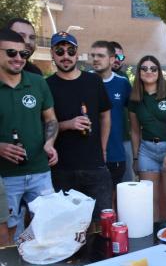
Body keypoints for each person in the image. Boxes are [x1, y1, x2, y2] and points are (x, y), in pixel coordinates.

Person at [46, 31, 113, 220]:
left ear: (77, 53)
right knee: (68, 226)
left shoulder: (93, 81)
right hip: (62, 169)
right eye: (60, 51)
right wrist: (68, 124)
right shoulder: (47, 85)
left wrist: (103, 148)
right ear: (52, 53)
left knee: (102, 223)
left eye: (70, 50)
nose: (65, 56)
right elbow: (43, 125)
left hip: (95, 166)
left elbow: (105, 115)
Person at [0, 29, 58, 241]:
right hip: (5, 176)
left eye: (23, 54)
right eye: (11, 53)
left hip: (40, 171)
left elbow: (51, 120)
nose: (18, 58)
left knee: (48, 227)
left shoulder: (37, 82)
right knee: (9, 233)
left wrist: (50, 143)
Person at [128, 55, 166, 221]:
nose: (149, 71)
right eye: (144, 68)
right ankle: (153, 237)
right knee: (149, 199)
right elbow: (135, 131)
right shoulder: (135, 99)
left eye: (153, 68)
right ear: (139, 72)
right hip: (147, 151)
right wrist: (135, 157)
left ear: (159, 72)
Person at [91, 40, 132, 192]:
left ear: (112, 59)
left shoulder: (123, 83)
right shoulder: (84, 80)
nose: (95, 59)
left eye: (100, 55)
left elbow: (134, 113)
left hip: (116, 150)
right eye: (93, 55)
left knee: (118, 196)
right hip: (89, 152)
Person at [109, 41, 135, 182]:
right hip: (102, 142)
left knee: (127, 182)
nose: (118, 61)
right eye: (115, 57)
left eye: (121, 57)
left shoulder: (124, 79)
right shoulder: (94, 78)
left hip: (124, 138)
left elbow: (132, 108)